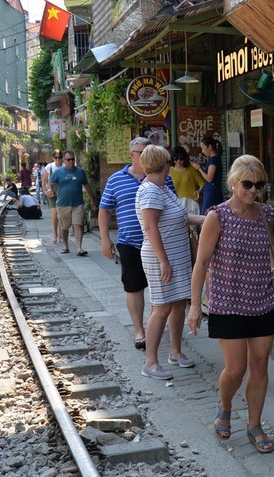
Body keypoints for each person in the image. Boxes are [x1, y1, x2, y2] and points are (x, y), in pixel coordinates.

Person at [187, 155, 274, 454]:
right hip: (227, 302)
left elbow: (269, 247)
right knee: (236, 368)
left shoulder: (266, 213)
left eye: (259, 184)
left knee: (260, 364)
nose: (253, 190)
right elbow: (201, 262)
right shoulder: (218, 216)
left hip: (262, 300)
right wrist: (195, 306)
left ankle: (255, 425)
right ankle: (225, 405)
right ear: (233, 182)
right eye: (248, 184)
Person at [99, 137, 177, 351]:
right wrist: (105, 239)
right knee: (134, 287)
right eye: (142, 152)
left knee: (160, 289)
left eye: (150, 151)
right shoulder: (116, 179)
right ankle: (139, 330)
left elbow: (174, 208)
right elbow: (104, 209)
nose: (146, 156)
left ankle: (156, 327)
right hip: (131, 242)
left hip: (159, 244)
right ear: (131, 154)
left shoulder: (163, 177)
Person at [136, 145, 206, 379]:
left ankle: (175, 352)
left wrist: (209, 219)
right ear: (163, 163)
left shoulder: (163, 187)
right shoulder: (151, 191)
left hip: (176, 255)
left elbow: (183, 216)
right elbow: (149, 227)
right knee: (161, 307)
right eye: (168, 161)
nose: (171, 164)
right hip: (162, 258)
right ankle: (150, 362)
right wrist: (163, 260)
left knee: (177, 303)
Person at [49, 150, 96, 256]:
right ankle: (65, 245)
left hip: (77, 204)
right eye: (68, 160)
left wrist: (92, 200)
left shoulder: (80, 172)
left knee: (78, 225)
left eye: (72, 159)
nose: (71, 161)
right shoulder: (58, 172)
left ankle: (79, 248)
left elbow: (87, 186)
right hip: (62, 204)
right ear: (64, 160)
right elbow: (50, 183)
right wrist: (49, 190)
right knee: (64, 227)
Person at [169, 145, 205, 216]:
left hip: (192, 203)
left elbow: (202, 183)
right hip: (176, 205)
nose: (178, 161)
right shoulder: (169, 171)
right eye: (176, 159)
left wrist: (199, 191)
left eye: (181, 158)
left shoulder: (192, 169)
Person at [191, 136, 223, 214]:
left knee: (207, 214)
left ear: (209, 147)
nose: (202, 151)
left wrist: (199, 168)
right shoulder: (212, 159)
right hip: (210, 190)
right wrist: (200, 190)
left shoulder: (213, 160)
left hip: (212, 192)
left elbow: (209, 178)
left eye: (203, 148)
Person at [43, 150, 64, 243]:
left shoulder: (65, 166)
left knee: (61, 214)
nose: (58, 159)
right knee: (54, 213)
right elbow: (44, 180)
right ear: (53, 158)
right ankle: (55, 234)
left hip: (62, 192)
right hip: (51, 192)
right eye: (56, 157)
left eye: (59, 157)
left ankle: (61, 236)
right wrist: (45, 191)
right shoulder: (50, 167)